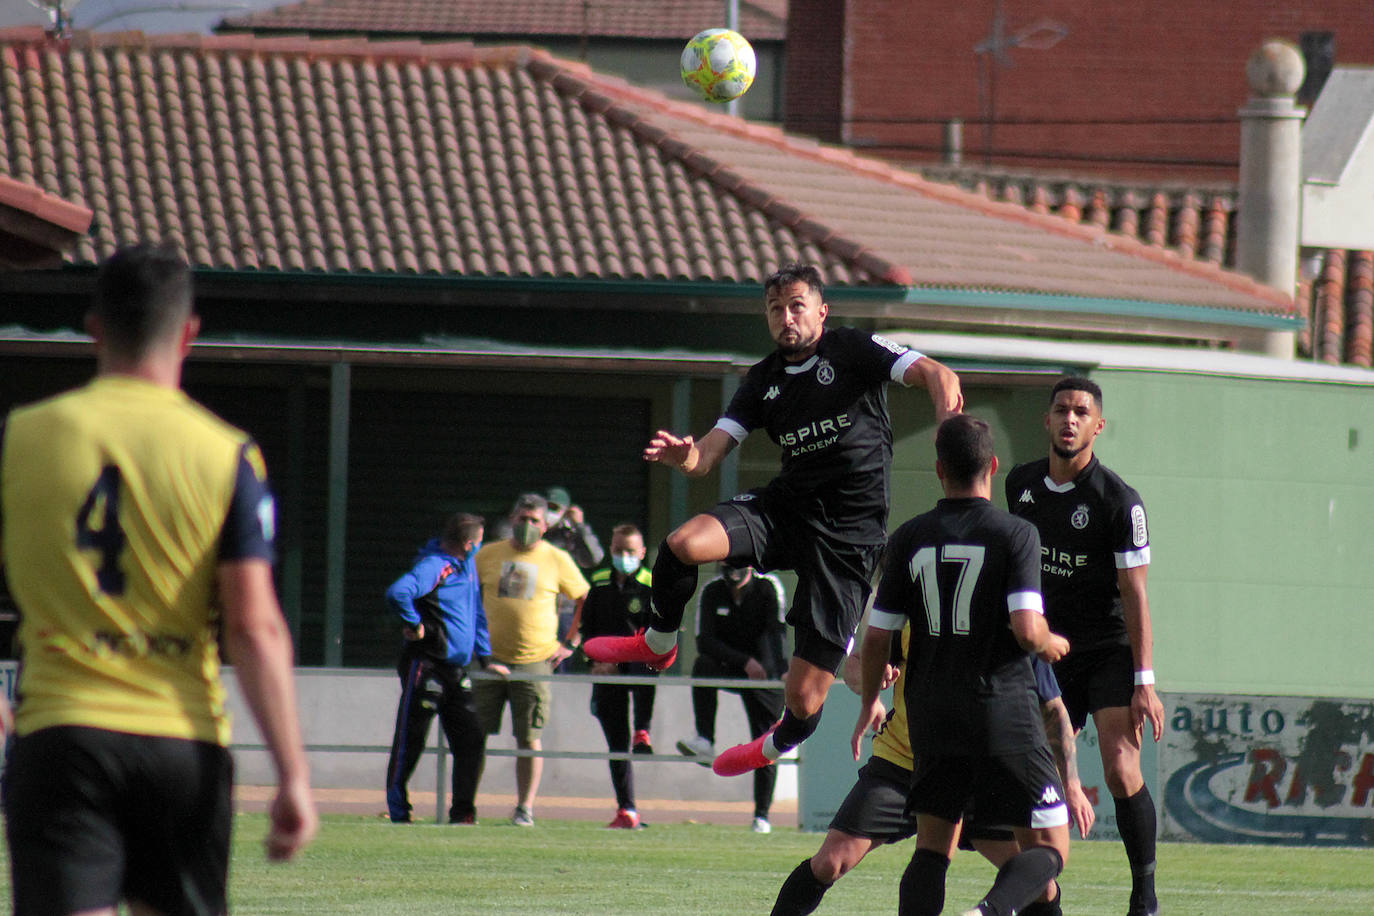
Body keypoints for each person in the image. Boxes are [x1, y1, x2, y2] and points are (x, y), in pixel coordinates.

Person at [0, 243, 316, 916]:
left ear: (94, 328)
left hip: (62, 733)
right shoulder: (226, 451)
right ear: (189, 332)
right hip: (182, 739)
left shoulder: (21, 437)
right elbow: (253, 626)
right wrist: (293, 773)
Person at [586, 262, 963, 778]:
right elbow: (706, 457)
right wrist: (684, 455)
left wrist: (948, 432)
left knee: (804, 699)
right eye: (775, 309)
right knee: (682, 542)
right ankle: (660, 641)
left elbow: (941, 376)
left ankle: (774, 743)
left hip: (848, 540)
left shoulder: (852, 350)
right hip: (784, 511)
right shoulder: (761, 380)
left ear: (821, 313)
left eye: (796, 307)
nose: (786, 318)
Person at [853, 413, 1071, 916]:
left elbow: (878, 636)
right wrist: (1051, 642)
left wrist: (870, 701)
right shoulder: (1016, 533)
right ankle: (987, 913)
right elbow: (1025, 628)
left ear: (938, 470)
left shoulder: (907, 538)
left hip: (931, 713)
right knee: (1050, 850)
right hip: (1002, 711)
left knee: (932, 846)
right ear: (993, 466)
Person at [772, 627, 1093, 915]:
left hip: (982, 772)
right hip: (902, 764)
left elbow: (1054, 711)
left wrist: (1073, 785)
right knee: (830, 862)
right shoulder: (915, 610)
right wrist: (871, 677)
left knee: (1038, 886)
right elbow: (856, 666)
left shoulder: (1008, 620)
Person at [1005, 376, 1164, 916]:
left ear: (1098, 426)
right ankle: (1045, 897)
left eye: (1080, 412)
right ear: (1046, 421)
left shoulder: (1118, 501)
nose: (1069, 420)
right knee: (1034, 771)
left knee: (1121, 767)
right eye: (1060, 410)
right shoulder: (1020, 486)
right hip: (1046, 649)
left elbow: (1135, 592)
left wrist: (1145, 682)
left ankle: (1144, 892)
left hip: (1106, 647)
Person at [384, 512, 509, 824]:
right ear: (468, 544)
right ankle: (400, 812)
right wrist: (414, 624)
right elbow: (399, 592)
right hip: (426, 665)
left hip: (456, 670)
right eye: (479, 543)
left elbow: (476, 613)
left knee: (471, 739)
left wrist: (486, 656)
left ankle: (463, 813)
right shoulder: (436, 565)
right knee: (411, 740)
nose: (481, 548)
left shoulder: (466, 569)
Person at [473, 492, 590, 827]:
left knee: (528, 737)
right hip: (489, 657)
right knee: (474, 735)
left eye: (534, 521)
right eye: (522, 519)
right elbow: (466, 593)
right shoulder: (488, 554)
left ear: (544, 525)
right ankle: (466, 804)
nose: (527, 526)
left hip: (535, 660)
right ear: (512, 519)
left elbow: (584, 597)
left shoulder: (557, 558)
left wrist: (570, 643)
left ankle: (524, 807)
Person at [676, 565, 787, 833]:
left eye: (740, 562)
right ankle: (704, 739)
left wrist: (782, 671)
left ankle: (761, 816)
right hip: (731, 666)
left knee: (766, 744)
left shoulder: (768, 586)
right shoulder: (712, 590)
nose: (733, 569)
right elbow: (705, 642)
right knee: (702, 665)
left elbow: (777, 632)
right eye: (727, 563)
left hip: (764, 673)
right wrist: (744, 661)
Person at [579, 523, 656, 829]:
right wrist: (594, 661)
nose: (624, 556)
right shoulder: (598, 582)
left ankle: (644, 729)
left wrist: (622, 657)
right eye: (618, 550)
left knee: (645, 669)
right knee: (616, 744)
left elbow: (659, 635)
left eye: (630, 551)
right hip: (606, 669)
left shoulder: (653, 585)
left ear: (642, 553)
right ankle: (627, 810)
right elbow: (588, 629)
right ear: (611, 550)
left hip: (639, 664)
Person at [542, 486, 604, 673]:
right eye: (546, 507)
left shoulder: (571, 534)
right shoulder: (535, 529)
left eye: (555, 508)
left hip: (565, 611)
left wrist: (579, 526)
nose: (549, 513)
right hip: (539, 607)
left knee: (560, 665)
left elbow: (594, 557)